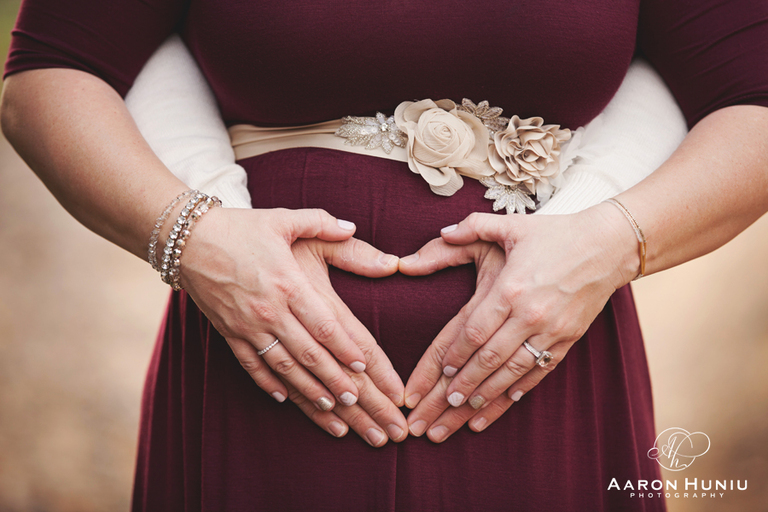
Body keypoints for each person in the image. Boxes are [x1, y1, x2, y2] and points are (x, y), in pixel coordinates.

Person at [2, 2, 767, 511]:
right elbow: (50, 75)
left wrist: (609, 241)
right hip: (257, 368)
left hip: (543, 370)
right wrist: (196, 238)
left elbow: (751, 103)